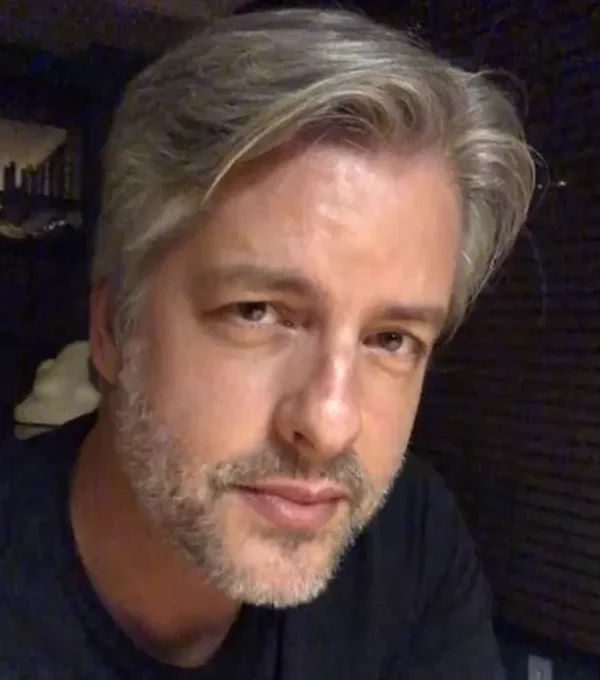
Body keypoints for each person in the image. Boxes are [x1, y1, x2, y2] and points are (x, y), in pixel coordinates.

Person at [0, 8, 535, 679]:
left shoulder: (409, 548)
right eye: (257, 313)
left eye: (391, 339)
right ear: (113, 331)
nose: (329, 424)